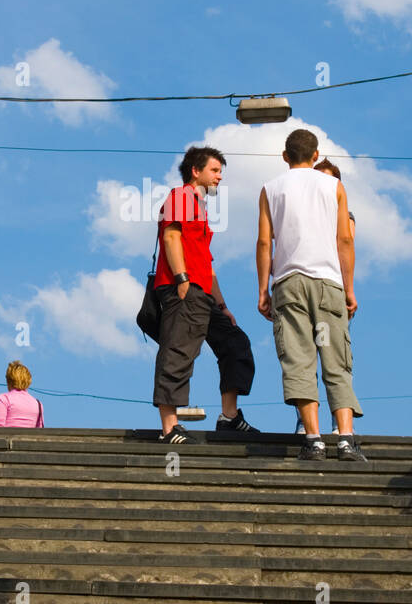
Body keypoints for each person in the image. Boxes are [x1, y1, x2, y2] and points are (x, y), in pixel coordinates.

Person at [257, 129, 365, 462]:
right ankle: (346, 440)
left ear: (285, 156)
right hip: (328, 282)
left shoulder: (270, 189)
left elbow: (264, 242)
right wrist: (349, 288)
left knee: (298, 358)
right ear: (315, 155)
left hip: (288, 282)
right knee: (336, 359)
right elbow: (345, 240)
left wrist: (263, 289)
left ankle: (314, 440)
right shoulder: (334, 186)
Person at [153, 146, 258, 443]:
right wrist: (182, 279)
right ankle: (170, 428)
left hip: (203, 293)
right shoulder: (180, 196)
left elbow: (207, 262)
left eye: (221, 172)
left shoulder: (200, 206)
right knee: (178, 353)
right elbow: (171, 236)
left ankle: (229, 417)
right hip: (183, 289)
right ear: (195, 171)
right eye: (214, 170)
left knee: (235, 343)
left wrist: (222, 305)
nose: (219, 177)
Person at [296, 159, 363, 434]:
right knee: (303, 356)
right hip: (306, 284)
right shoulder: (301, 211)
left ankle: (340, 422)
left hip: (331, 287)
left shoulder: (344, 214)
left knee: (335, 358)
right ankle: (306, 421)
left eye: (329, 179)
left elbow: (347, 243)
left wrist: (349, 290)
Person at [0, 360, 44, 427]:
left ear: (9, 380)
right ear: (28, 381)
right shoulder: (38, 404)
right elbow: (40, 431)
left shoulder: (4, 398)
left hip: (8, 437)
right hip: (29, 437)